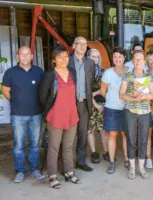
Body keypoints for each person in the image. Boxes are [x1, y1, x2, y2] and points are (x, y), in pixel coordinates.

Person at [2, 46, 45, 183]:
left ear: (32, 56)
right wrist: (17, 101)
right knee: (18, 145)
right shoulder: (10, 72)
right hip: (18, 114)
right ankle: (20, 171)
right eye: (22, 54)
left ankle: (34, 169)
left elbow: (44, 91)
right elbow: (5, 91)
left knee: (34, 144)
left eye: (28, 54)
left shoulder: (39, 71)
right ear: (17, 56)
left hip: (36, 114)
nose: (25, 57)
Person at [39, 46, 80, 189]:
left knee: (69, 146)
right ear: (54, 60)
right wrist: (50, 111)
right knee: (54, 147)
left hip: (71, 114)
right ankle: (52, 174)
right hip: (56, 115)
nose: (64, 60)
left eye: (66, 56)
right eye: (60, 57)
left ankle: (69, 171)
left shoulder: (73, 72)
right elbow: (43, 96)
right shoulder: (49, 75)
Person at [119, 51, 153, 180]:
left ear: (144, 62)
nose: (138, 61)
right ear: (133, 61)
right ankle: (132, 168)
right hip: (131, 112)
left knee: (143, 140)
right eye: (136, 59)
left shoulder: (149, 77)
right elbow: (121, 95)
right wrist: (134, 99)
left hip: (145, 112)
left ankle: (142, 167)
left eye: (140, 59)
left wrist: (144, 96)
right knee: (131, 139)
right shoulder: (127, 76)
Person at [68, 36, 95, 172]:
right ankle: (67, 165)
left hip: (84, 104)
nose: (82, 46)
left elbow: (91, 84)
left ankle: (81, 162)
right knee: (68, 136)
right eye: (79, 44)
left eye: (85, 44)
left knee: (83, 134)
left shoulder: (90, 63)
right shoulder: (66, 61)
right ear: (73, 46)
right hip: (69, 104)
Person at [100, 47, 129, 174]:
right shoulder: (108, 73)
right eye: (115, 57)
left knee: (125, 135)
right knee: (112, 134)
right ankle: (112, 162)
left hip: (127, 108)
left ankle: (127, 159)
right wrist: (111, 100)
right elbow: (102, 91)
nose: (117, 59)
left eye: (120, 57)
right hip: (112, 108)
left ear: (124, 58)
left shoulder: (130, 71)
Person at [86, 48, 109, 163]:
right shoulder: (85, 72)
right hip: (89, 105)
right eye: (93, 56)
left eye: (97, 56)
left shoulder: (103, 72)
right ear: (88, 58)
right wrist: (94, 101)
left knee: (103, 130)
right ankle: (94, 152)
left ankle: (106, 151)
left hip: (102, 104)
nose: (95, 59)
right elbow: (84, 92)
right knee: (90, 130)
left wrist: (94, 93)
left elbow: (106, 89)